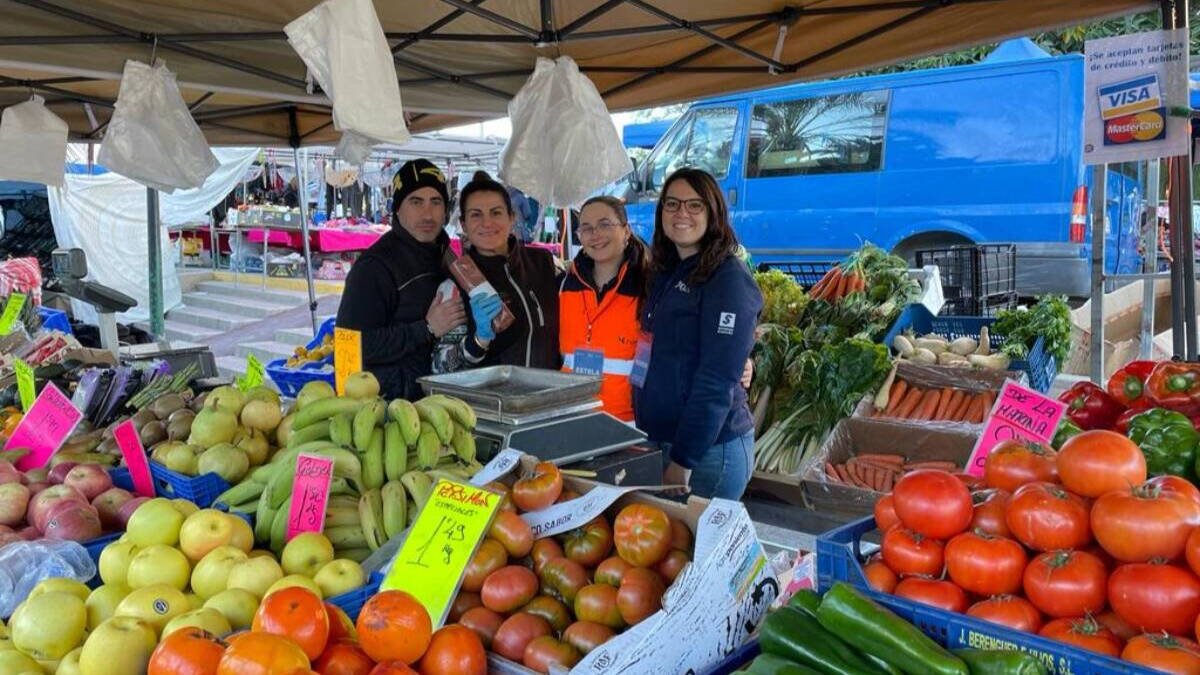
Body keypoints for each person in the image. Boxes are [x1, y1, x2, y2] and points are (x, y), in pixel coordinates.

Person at [633, 168, 763, 500]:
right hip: (662, 439)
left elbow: (717, 378)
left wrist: (684, 458)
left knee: (695, 536)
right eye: (672, 204)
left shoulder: (727, 278)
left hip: (707, 455)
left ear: (713, 212)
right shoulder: (667, 269)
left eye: (694, 205)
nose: (682, 213)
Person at [335, 159, 465, 400]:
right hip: (389, 407)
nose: (427, 213)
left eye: (435, 202)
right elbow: (349, 347)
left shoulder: (445, 255)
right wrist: (426, 329)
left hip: (437, 400)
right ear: (397, 209)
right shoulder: (374, 267)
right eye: (416, 202)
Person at [451, 173, 560, 370]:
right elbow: (442, 366)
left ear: (511, 218)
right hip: (496, 390)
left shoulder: (544, 264)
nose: (487, 223)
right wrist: (478, 341)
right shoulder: (456, 282)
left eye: (496, 212)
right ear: (464, 225)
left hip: (549, 387)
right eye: (476, 214)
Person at [559, 196, 649, 422]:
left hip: (629, 424)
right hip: (571, 418)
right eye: (586, 228)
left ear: (626, 231)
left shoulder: (648, 286)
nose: (595, 234)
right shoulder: (563, 285)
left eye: (605, 224)